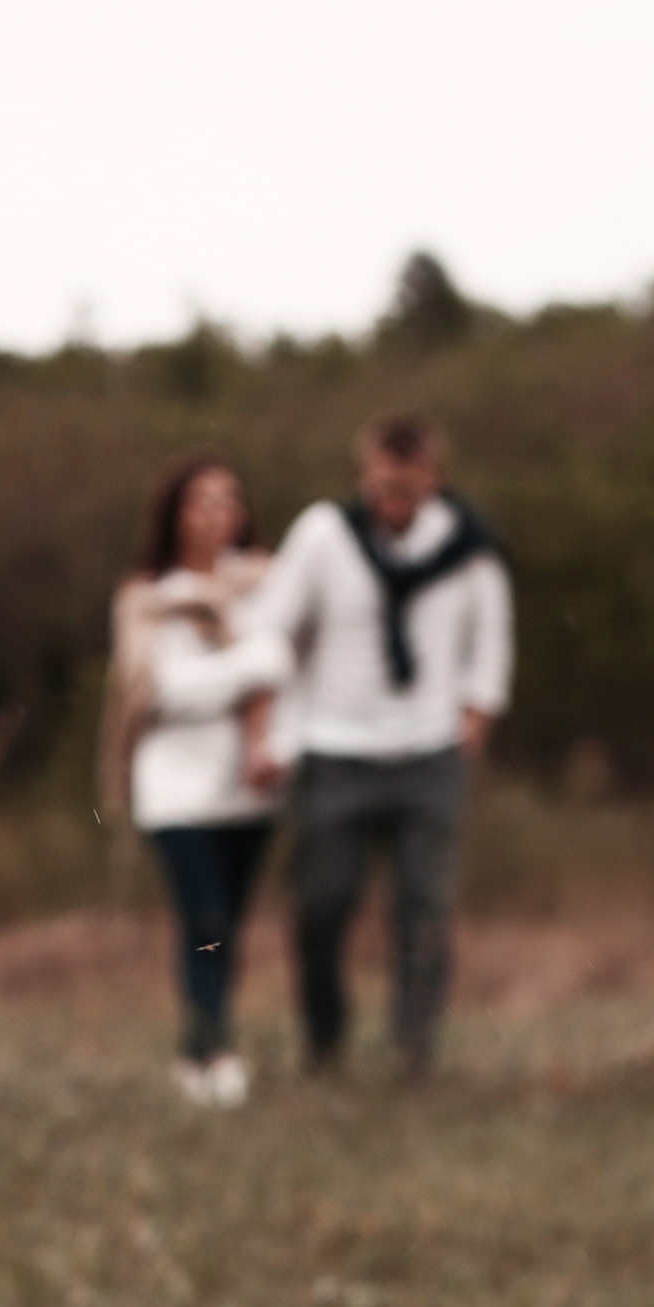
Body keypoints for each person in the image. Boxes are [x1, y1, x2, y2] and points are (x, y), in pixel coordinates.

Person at [251, 413, 511, 1078]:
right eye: (382, 480)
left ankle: (412, 1049)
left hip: (429, 752)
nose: (394, 494)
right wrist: (270, 731)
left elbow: (490, 645)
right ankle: (324, 1040)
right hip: (334, 748)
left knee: (424, 907)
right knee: (322, 901)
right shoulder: (323, 535)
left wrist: (471, 726)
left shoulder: (468, 544)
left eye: (409, 480)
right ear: (363, 474)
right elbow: (272, 629)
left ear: (434, 477)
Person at [101, 452, 291, 1105]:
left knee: (224, 927)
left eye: (228, 499)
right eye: (202, 501)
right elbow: (155, 694)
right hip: (175, 787)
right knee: (204, 916)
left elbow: (283, 661)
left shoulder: (267, 583)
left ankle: (196, 1047)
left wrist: (241, 672)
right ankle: (217, 1049)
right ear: (175, 513)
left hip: (248, 784)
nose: (217, 513)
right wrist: (247, 671)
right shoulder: (146, 598)